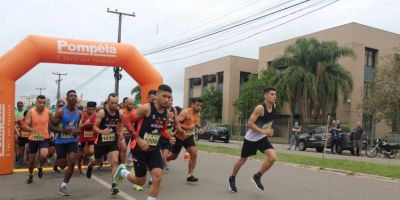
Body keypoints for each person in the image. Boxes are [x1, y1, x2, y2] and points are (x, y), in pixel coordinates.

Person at [113, 84, 177, 200]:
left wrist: (169, 137)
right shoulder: (146, 108)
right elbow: (127, 120)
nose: (166, 100)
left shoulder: (166, 113)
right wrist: (138, 138)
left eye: (169, 97)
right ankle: (123, 172)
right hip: (139, 149)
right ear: (157, 95)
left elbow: (161, 130)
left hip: (154, 149)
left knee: (158, 178)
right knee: (140, 181)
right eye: (164, 96)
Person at [228, 87, 278, 193]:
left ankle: (257, 176)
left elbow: (267, 121)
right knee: (242, 160)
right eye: (272, 94)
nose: (274, 96)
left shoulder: (274, 106)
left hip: (262, 138)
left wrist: (268, 130)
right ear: (265, 96)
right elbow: (250, 124)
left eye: (275, 95)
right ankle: (232, 178)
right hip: (250, 139)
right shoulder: (260, 108)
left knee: (273, 158)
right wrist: (264, 131)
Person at [86, 93, 123, 195]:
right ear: (108, 102)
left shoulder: (119, 113)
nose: (114, 105)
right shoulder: (102, 112)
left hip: (112, 141)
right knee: (98, 161)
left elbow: (120, 124)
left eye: (116, 103)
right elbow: (94, 127)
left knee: (115, 160)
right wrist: (102, 132)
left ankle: (114, 185)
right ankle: (90, 165)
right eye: (112, 103)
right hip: (101, 142)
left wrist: (119, 133)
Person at [166, 97, 203, 183]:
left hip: (188, 137)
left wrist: (200, 128)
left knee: (194, 153)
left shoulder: (198, 114)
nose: (199, 107)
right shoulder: (186, 112)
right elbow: (176, 123)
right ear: (192, 104)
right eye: (197, 105)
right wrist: (187, 127)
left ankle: (190, 175)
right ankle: (162, 160)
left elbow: (195, 123)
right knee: (173, 157)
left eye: (201, 106)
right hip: (179, 137)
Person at [52, 90, 81, 196]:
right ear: (67, 99)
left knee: (73, 160)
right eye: (71, 96)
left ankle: (63, 185)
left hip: (72, 141)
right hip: (60, 141)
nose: (74, 97)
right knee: (62, 165)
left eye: (75, 96)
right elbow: (52, 127)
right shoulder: (61, 111)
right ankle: (57, 162)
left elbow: (77, 127)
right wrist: (62, 131)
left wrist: (77, 132)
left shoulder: (79, 113)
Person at [24, 95, 53, 184]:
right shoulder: (30, 111)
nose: (42, 104)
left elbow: (52, 124)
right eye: (40, 102)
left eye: (44, 103)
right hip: (33, 138)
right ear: (36, 102)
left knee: (44, 154)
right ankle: (30, 174)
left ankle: (40, 166)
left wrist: (51, 132)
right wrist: (31, 129)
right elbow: (26, 125)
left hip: (44, 137)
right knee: (32, 159)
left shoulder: (49, 112)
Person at [77, 101, 97, 173]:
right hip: (82, 136)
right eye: (89, 109)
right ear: (86, 108)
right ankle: (79, 165)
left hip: (91, 136)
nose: (91, 111)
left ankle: (86, 156)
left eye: (92, 110)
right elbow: (79, 127)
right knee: (80, 153)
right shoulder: (82, 115)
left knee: (91, 151)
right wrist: (85, 123)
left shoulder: (96, 115)